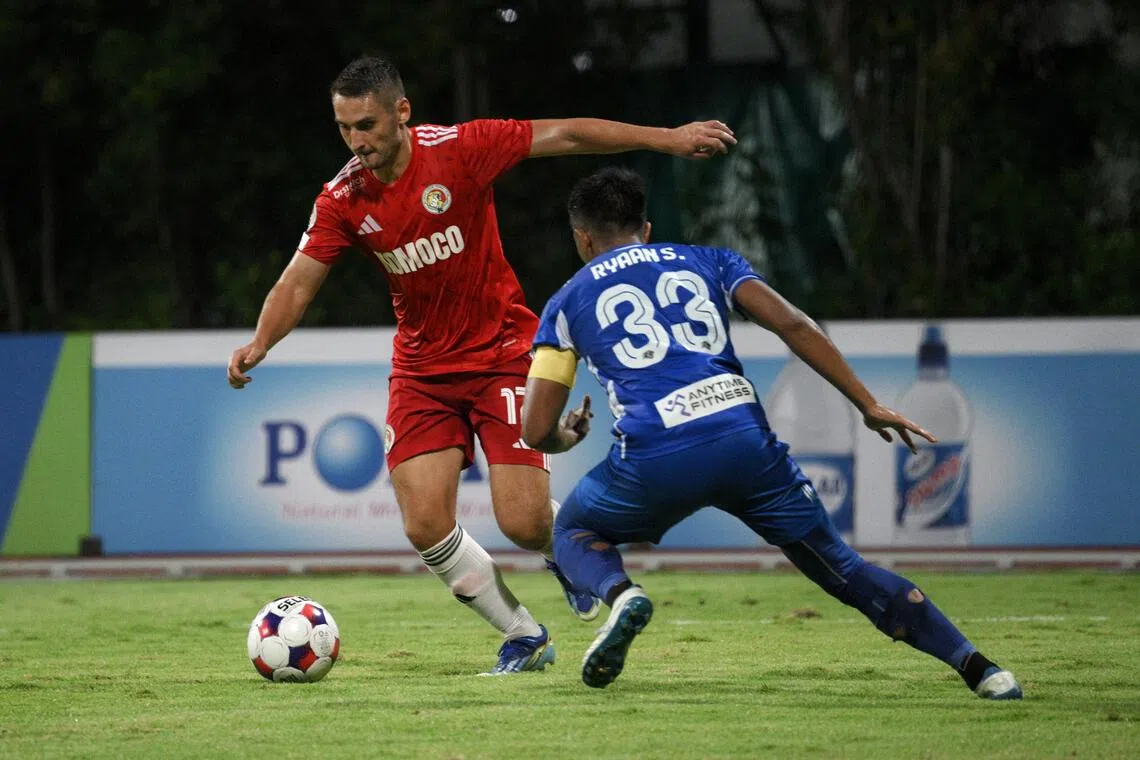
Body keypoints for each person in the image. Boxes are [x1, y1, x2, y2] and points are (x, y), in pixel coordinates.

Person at [225, 56, 737, 675]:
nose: (357, 143)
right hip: (422, 372)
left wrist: (668, 138)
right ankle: (525, 636)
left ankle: (566, 551)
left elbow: (568, 134)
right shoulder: (342, 199)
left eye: (366, 125)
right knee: (423, 523)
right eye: (344, 129)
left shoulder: (462, 149)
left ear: (401, 112)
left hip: (501, 355)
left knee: (522, 521)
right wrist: (260, 342)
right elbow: (299, 281)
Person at [520, 166, 1023, 698]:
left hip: (657, 455)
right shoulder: (710, 261)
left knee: (572, 530)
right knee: (843, 568)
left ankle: (621, 595)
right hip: (745, 442)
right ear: (646, 228)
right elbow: (795, 325)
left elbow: (533, 428)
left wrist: (564, 438)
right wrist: (868, 404)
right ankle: (982, 670)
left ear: (581, 237)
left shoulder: (565, 303)